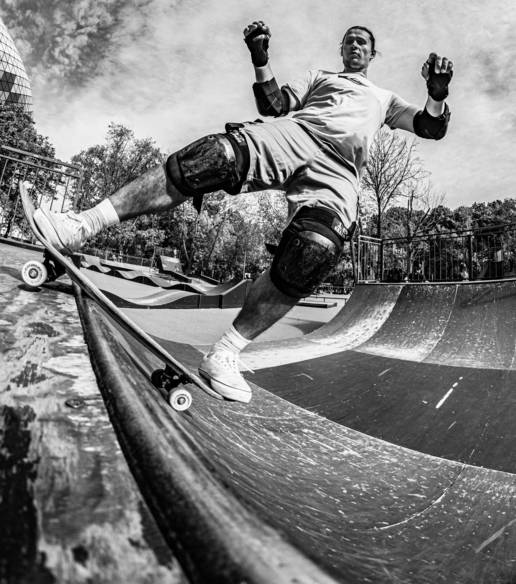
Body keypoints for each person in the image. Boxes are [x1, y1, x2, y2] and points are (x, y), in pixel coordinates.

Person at [33, 21, 454, 402]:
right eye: (349, 41)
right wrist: (260, 56)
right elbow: (273, 104)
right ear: (341, 50)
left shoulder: (385, 99)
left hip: (340, 173)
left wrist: (437, 94)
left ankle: (226, 353)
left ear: (373, 54)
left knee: (314, 251)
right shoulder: (320, 77)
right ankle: (79, 226)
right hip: (297, 134)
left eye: (362, 42)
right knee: (208, 159)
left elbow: (429, 126)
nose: (355, 46)